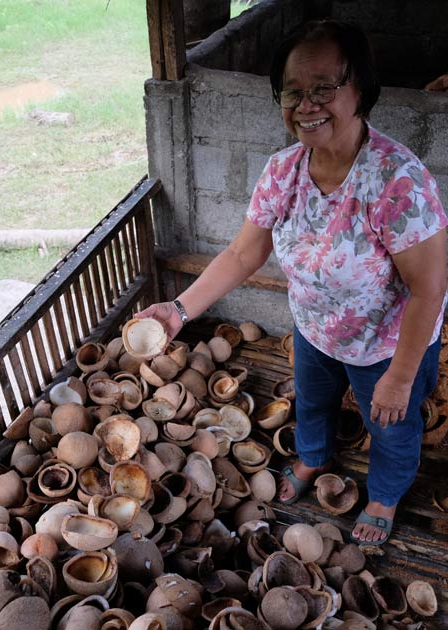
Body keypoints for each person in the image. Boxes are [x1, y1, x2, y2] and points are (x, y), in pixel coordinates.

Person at [137, 19, 448, 545]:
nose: (307, 104)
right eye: (293, 91)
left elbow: (430, 288)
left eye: (324, 87)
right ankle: (312, 459)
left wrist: (400, 374)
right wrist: (178, 310)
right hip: (314, 327)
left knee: (391, 427)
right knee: (313, 400)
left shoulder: (397, 180)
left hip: (385, 343)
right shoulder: (283, 171)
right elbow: (243, 253)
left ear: (361, 90)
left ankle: (384, 495)